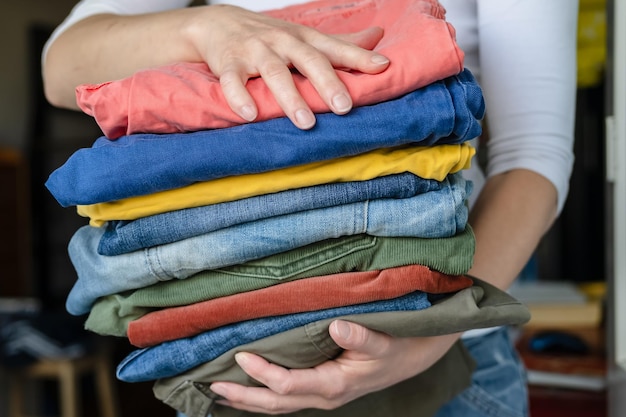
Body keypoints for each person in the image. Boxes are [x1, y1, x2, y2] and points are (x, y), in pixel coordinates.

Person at [41, 0, 579, 416]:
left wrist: (432, 336)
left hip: (445, 358)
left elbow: (532, 155)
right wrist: (204, 28)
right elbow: (62, 63)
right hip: (240, 368)